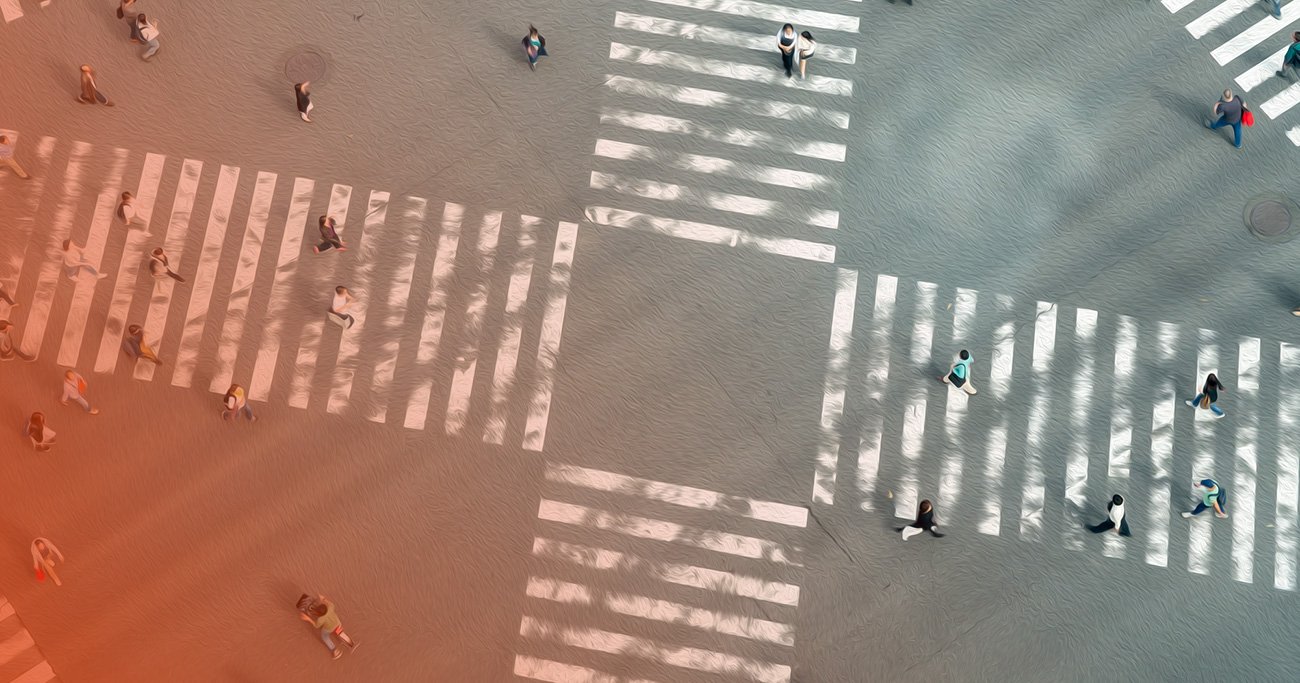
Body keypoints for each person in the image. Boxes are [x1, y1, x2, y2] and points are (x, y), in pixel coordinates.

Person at [299, 595, 358, 659]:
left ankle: (335, 650)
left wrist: (308, 618)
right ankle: (352, 644)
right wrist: (323, 599)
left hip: (329, 629)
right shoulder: (330, 607)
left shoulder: (320, 619)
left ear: (318, 614)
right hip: (338, 624)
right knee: (341, 633)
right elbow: (328, 603)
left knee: (324, 636)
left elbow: (316, 626)